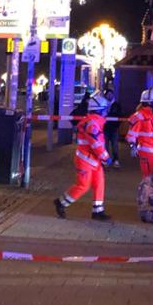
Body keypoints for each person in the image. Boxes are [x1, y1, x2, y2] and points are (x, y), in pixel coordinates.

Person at [54, 92, 112, 220]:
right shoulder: (92, 124)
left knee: (99, 183)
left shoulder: (94, 122)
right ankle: (61, 202)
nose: (106, 113)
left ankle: (98, 211)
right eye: (104, 110)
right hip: (86, 160)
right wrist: (106, 157)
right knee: (83, 185)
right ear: (99, 110)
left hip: (92, 159)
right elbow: (96, 143)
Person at [127, 89, 153, 178]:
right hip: (148, 155)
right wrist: (132, 147)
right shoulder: (139, 116)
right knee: (149, 180)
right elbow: (131, 135)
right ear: (150, 102)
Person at [104, 90, 122, 168]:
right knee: (105, 145)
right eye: (108, 94)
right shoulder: (103, 105)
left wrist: (117, 125)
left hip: (114, 128)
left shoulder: (116, 105)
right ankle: (106, 160)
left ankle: (116, 160)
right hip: (105, 128)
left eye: (111, 94)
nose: (109, 96)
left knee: (115, 145)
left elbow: (120, 115)